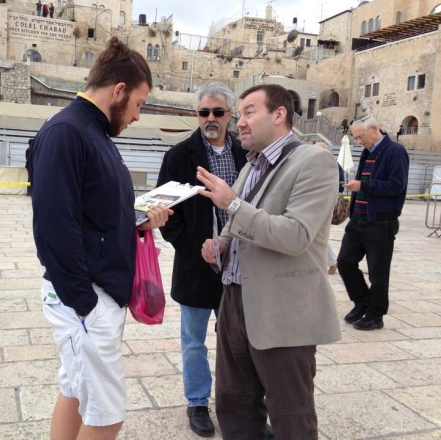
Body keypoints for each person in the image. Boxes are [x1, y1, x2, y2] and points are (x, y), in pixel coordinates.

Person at [31, 37, 172, 440]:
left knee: (74, 390)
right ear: (120, 90)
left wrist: (138, 223)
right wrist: (85, 304)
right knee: (107, 411)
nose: (137, 116)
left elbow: (93, 214)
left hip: (93, 294)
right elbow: (54, 227)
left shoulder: (93, 134)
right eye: (140, 104)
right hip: (85, 296)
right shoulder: (66, 132)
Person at [198, 84, 341, 438]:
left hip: (283, 311)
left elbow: (296, 235)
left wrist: (232, 204)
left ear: (279, 115)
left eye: (248, 112)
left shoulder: (315, 162)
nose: (239, 122)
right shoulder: (251, 166)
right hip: (234, 301)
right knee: (234, 404)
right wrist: (221, 246)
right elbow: (239, 228)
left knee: (290, 414)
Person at [156, 83, 247, 437]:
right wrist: (193, 246)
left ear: (230, 115)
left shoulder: (246, 154)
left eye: (218, 112)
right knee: (193, 339)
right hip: (197, 265)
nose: (210, 118)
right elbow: (166, 213)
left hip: (239, 262)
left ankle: (239, 404)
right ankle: (197, 401)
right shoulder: (179, 156)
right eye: (204, 112)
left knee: (238, 340)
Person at [338, 117, 409, 331]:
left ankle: (376, 314)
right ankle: (362, 303)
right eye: (356, 138)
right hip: (357, 219)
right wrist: (357, 188)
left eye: (361, 136)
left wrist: (363, 185)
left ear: (375, 129)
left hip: (380, 222)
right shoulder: (368, 151)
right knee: (345, 262)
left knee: (378, 273)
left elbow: (396, 185)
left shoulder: (395, 151)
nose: (359, 141)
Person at [314, 141, 345, 275]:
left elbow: (340, 186)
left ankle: (332, 262)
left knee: (316, 235)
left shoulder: (333, 165)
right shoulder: (314, 164)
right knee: (316, 235)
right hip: (315, 203)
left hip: (323, 204)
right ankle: (331, 262)